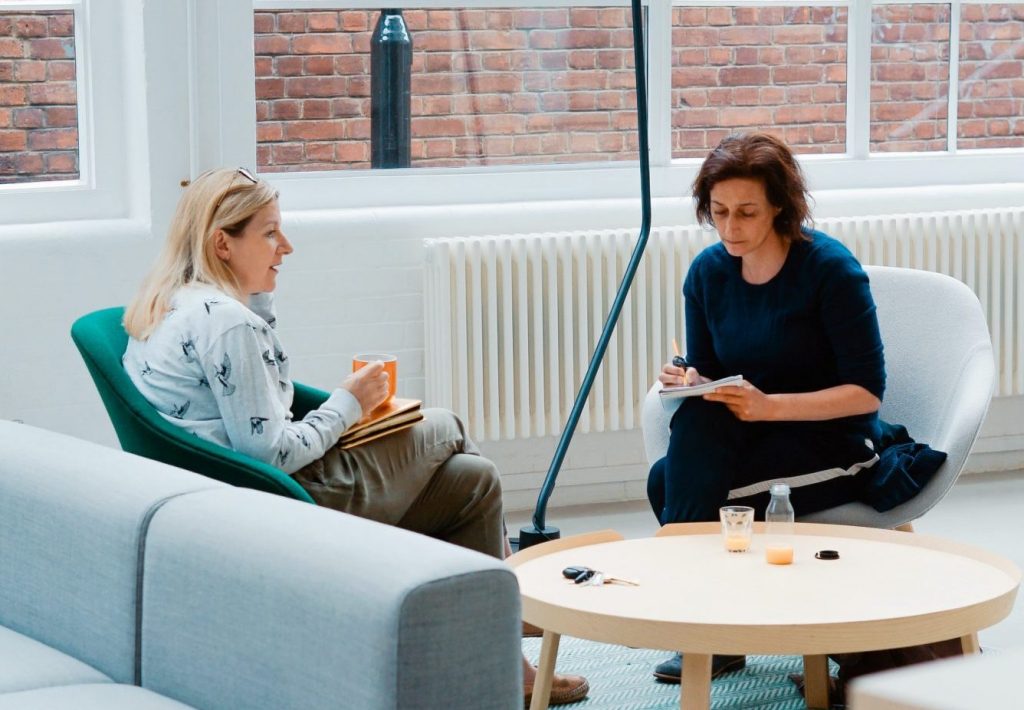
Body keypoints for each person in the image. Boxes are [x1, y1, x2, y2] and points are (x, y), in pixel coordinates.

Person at [122, 167, 588, 706]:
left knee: (473, 480)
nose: (286, 246)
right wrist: (348, 402)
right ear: (222, 242)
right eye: (270, 232)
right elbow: (268, 451)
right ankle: (516, 611)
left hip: (235, 499)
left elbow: (256, 414)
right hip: (286, 501)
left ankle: (502, 663)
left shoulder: (179, 304)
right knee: (445, 424)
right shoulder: (230, 325)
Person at [647, 133, 886, 683]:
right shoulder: (708, 273)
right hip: (754, 434)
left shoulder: (830, 270)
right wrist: (689, 379)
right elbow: (710, 374)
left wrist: (768, 406)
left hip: (835, 443)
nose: (730, 227)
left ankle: (704, 625)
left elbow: (867, 392)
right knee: (683, 449)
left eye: (747, 212)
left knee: (668, 484)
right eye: (719, 211)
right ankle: (714, 626)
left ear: (780, 204)